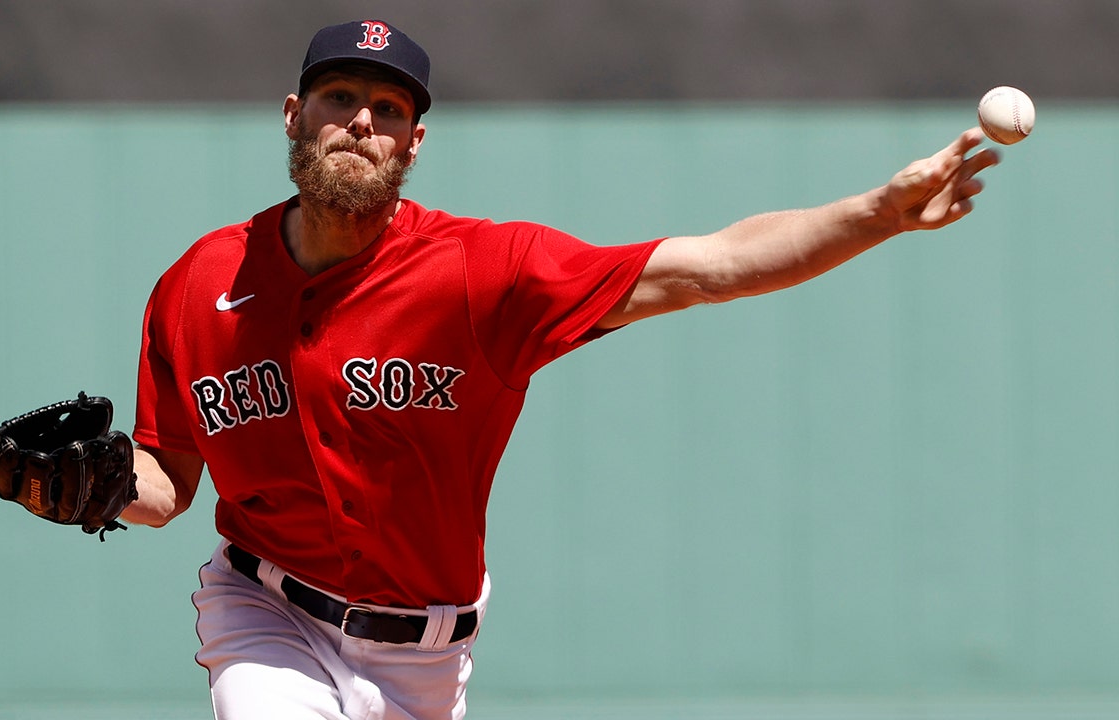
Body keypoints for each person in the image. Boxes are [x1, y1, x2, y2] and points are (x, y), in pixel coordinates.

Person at [120, 18, 999, 720]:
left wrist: (876, 214)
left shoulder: (481, 273)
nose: (361, 121)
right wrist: (93, 482)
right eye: (339, 96)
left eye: (388, 109)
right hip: (266, 613)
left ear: (414, 144)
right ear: (292, 114)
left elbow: (711, 265)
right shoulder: (199, 283)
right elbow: (164, 486)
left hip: (425, 657)